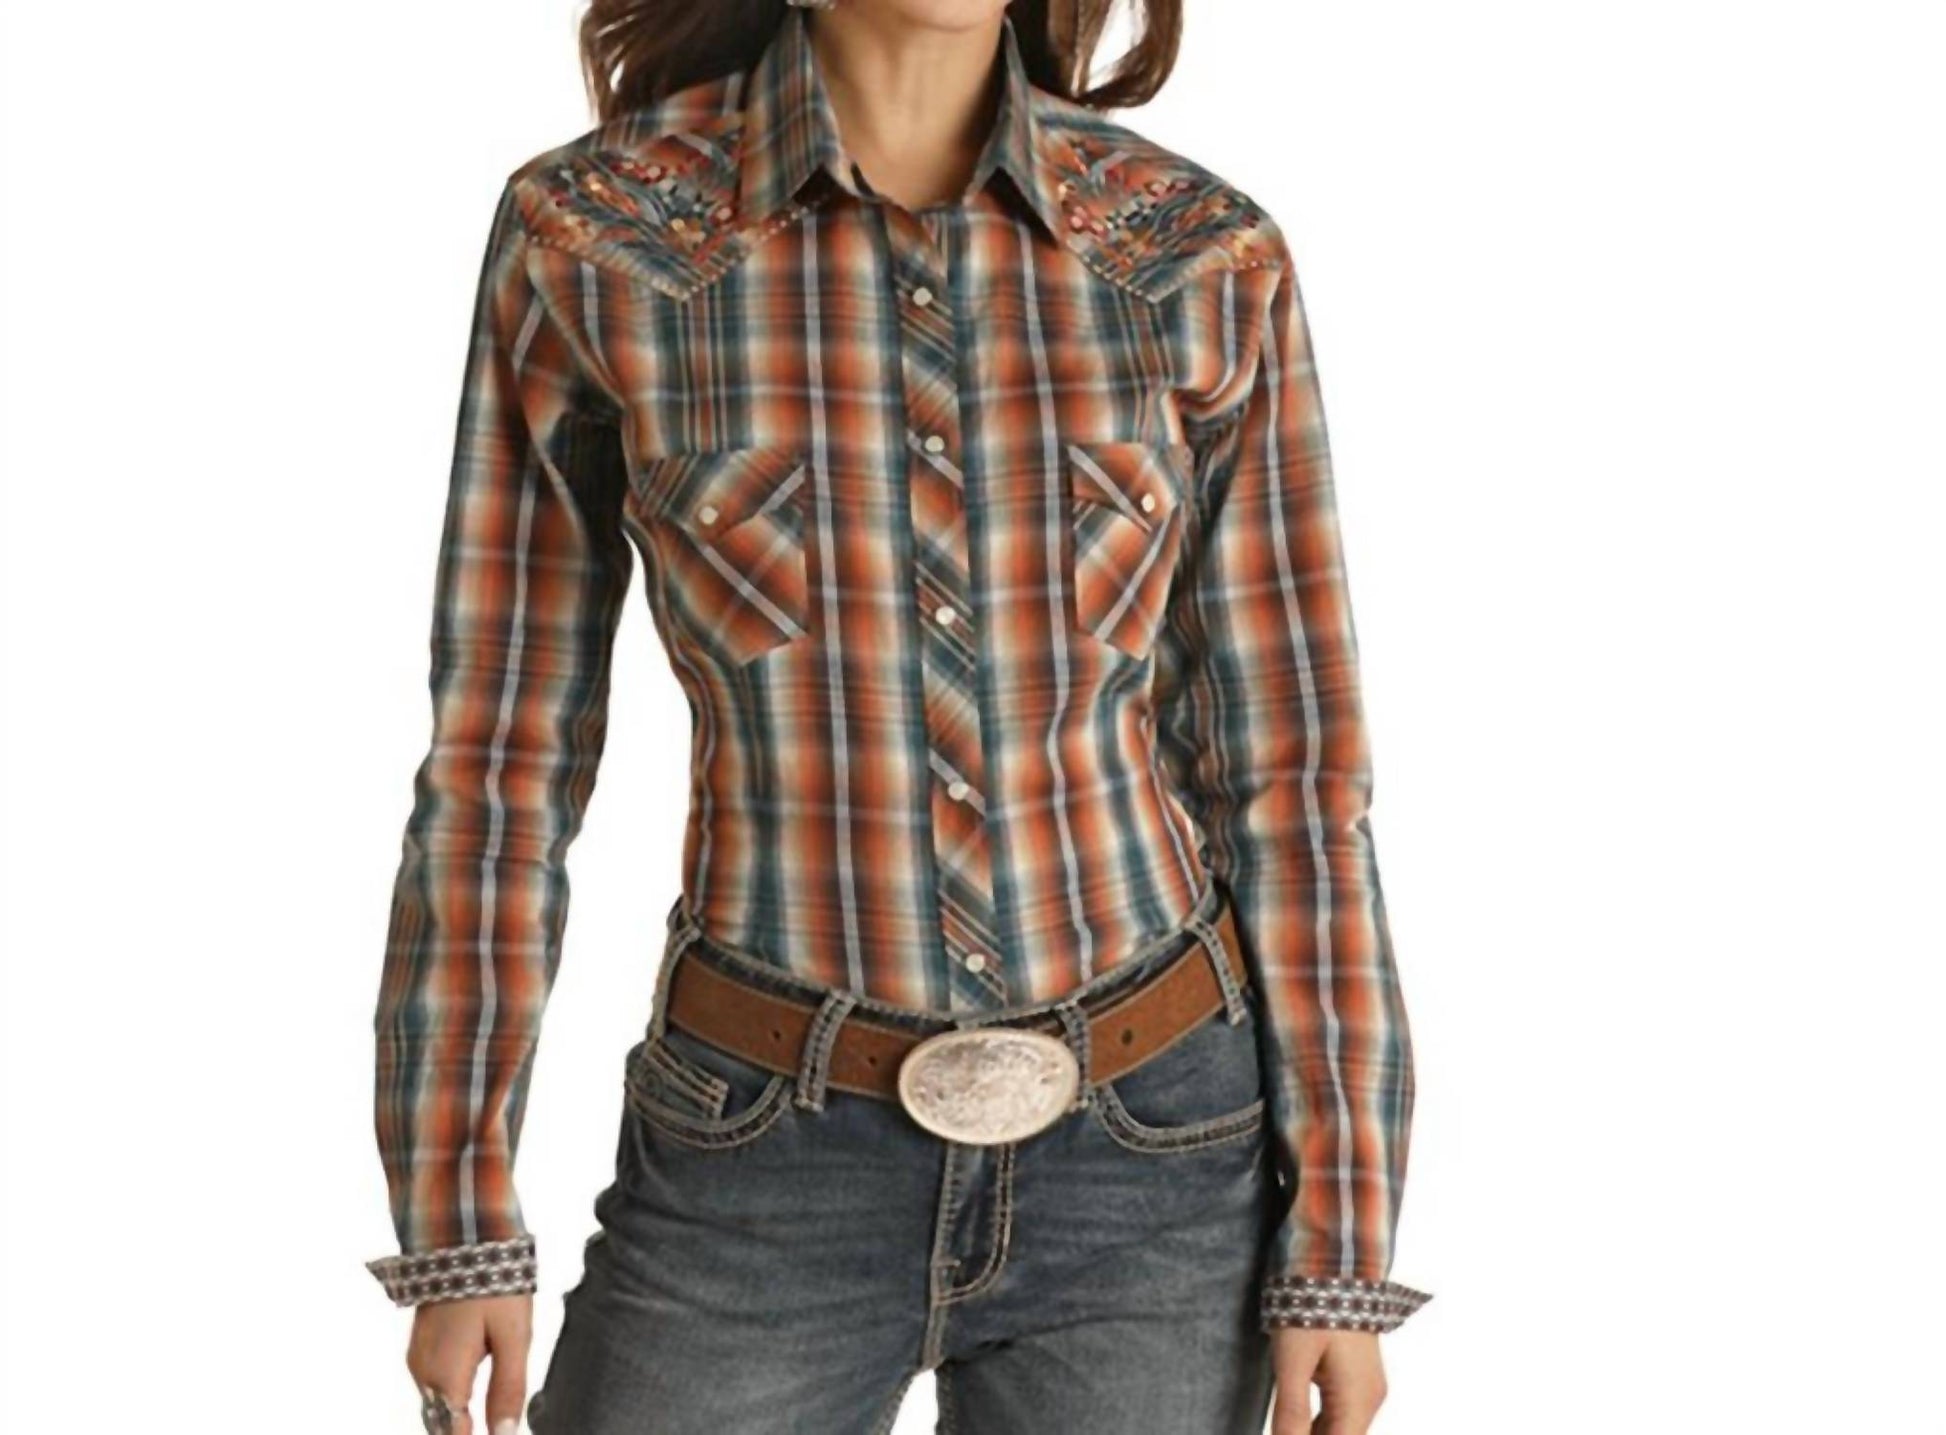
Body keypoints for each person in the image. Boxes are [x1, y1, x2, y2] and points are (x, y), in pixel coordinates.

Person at [364, 1, 1428, 1431]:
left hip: (1158, 1160)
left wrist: (1340, 1242)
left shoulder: (1194, 251)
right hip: (757, 1155)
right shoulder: (594, 238)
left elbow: (1289, 780)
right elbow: (503, 762)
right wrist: (458, 1214)